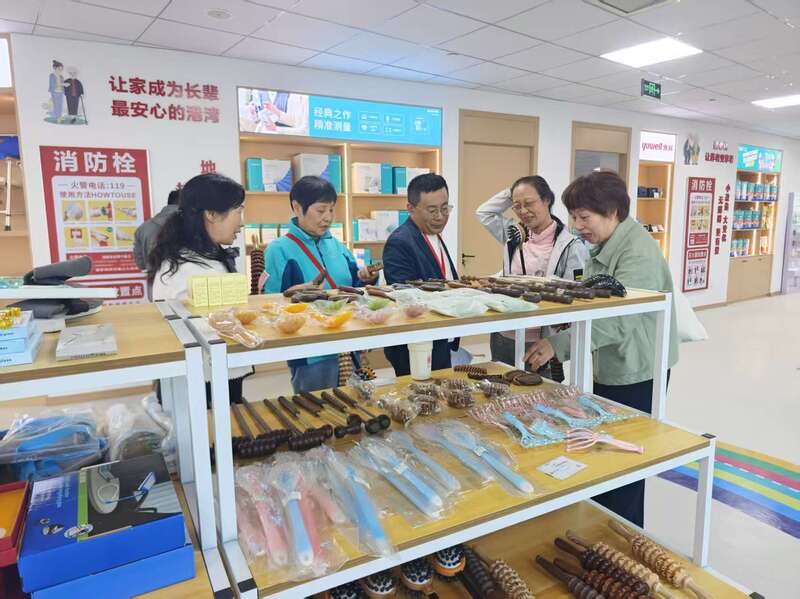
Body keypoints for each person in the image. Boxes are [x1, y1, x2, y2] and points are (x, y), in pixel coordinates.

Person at [525, 171, 679, 527]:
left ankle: (623, 533)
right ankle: (603, 524)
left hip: (638, 367)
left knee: (625, 459)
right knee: (606, 448)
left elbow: (620, 320)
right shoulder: (606, 245)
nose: (577, 226)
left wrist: (559, 345)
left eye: (584, 217)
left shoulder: (637, 252)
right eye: (574, 217)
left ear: (612, 212)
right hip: (613, 361)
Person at [263, 175, 378, 392]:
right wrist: (290, 294)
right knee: (318, 407)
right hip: (311, 352)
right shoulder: (278, 250)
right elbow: (268, 304)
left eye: (331, 210)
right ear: (297, 208)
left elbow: (354, 285)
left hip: (350, 343)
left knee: (357, 402)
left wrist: (367, 278)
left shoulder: (338, 245)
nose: (328, 218)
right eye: (321, 210)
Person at [148, 172, 248, 403]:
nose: (242, 222)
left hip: (215, 371)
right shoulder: (187, 269)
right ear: (211, 214)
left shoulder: (202, 256)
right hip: (203, 379)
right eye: (238, 211)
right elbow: (211, 326)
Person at [476, 176, 588, 376]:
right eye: (517, 206)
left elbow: (575, 293)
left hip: (539, 341)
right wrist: (514, 192)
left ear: (547, 200)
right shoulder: (514, 235)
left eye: (529, 203)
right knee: (500, 390)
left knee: (538, 392)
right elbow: (484, 212)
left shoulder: (571, 246)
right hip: (503, 333)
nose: (523, 211)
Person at [383, 174, 459, 376]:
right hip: (416, 344)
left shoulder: (433, 234)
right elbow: (407, 297)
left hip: (438, 337)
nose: (440, 216)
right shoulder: (400, 242)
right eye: (432, 210)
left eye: (445, 208)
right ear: (410, 208)